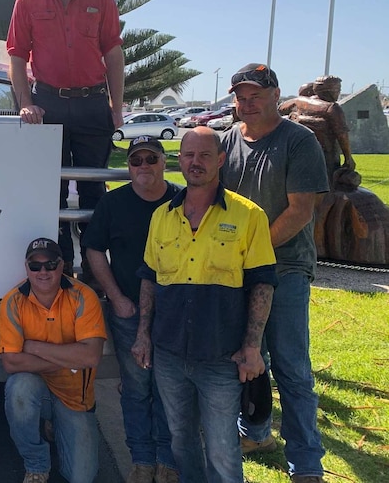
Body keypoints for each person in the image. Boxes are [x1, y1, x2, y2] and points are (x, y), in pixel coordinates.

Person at [133, 127, 277, 483]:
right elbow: (149, 280)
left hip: (221, 355)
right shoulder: (162, 217)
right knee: (181, 441)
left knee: (222, 447)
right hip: (168, 353)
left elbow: (263, 283)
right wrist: (143, 335)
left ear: (220, 160)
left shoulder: (249, 216)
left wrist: (253, 347)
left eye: (204, 155)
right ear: (179, 161)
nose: (195, 162)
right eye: (188, 155)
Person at [221, 63, 330, 483]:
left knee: (291, 367)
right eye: (241, 97)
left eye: (256, 96)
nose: (247, 104)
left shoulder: (299, 141)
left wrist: (254, 255)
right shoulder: (228, 141)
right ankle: (256, 431)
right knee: (249, 359)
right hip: (236, 270)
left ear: (275, 95)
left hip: (284, 268)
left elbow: (301, 210)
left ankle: (305, 464)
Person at [6, 0, 125, 278]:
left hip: (92, 105)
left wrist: (116, 108)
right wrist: (26, 102)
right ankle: (58, 272)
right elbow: (16, 56)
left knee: (94, 193)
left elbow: (114, 54)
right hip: (48, 106)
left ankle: (94, 275)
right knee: (49, 192)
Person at [83, 136, 181, 483]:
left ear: (163, 162)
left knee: (170, 389)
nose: (143, 167)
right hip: (127, 311)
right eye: (135, 161)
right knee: (137, 388)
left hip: (175, 314)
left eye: (150, 159)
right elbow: (94, 249)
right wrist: (115, 296)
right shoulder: (113, 203)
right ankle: (142, 460)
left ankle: (169, 462)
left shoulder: (182, 200)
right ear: (128, 166)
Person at [0, 237, 106, 483]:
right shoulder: (12, 301)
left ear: (62, 266)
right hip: (41, 389)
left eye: (50, 264)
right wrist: (70, 358)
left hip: (74, 398)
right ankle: (36, 465)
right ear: (27, 268)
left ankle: (54, 424)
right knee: (19, 388)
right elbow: (11, 363)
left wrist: (34, 347)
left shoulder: (84, 297)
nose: (43, 271)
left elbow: (91, 356)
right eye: (35, 266)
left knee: (82, 477)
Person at [278, 74, 355, 186]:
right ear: (329, 90)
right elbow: (342, 134)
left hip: (296, 153)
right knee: (329, 186)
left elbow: (279, 110)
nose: (338, 93)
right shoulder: (332, 108)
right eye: (338, 89)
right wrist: (348, 158)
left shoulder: (298, 102)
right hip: (324, 155)